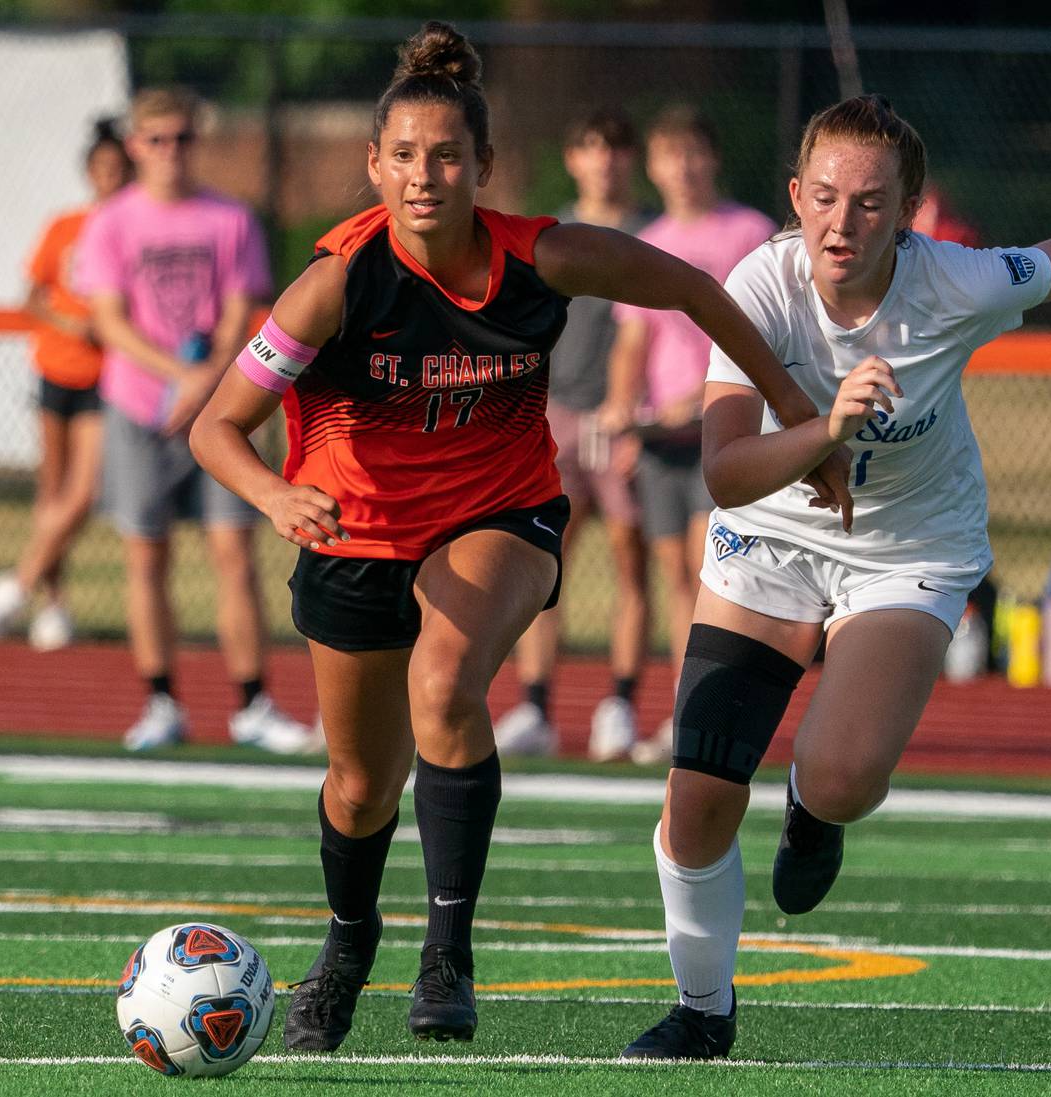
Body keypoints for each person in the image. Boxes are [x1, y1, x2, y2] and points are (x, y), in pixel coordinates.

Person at [188, 21, 844, 1052]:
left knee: (445, 684)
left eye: (447, 156)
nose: (424, 175)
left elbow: (697, 288)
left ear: (484, 167)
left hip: (500, 513)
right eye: (402, 156)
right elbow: (212, 426)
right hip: (355, 535)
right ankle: (347, 949)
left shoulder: (543, 257)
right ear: (374, 165)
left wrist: (799, 415)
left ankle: (448, 952)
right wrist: (274, 497)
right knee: (361, 783)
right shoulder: (335, 283)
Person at [620, 94, 1051, 1060]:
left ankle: (813, 809)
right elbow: (725, 472)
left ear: (911, 215)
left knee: (842, 776)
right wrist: (826, 429)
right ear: (796, 197)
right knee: (699, 794)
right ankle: (702, 1011)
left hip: (908, 548)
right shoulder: (758, 284)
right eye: (826, 198)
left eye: (873, 204)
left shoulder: (959, 280)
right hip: (770, 538)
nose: (845, 223)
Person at [77, 87, 310, 754]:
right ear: (134, 146)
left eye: (182, 138)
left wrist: (206, 383)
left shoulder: (229, 219)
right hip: (138, 406)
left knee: (234, 554)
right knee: (145, 555)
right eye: (157, 140)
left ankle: (251, 702)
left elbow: (244, 309)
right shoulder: (113, 222)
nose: (170, 152)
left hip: (219, 409)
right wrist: (174, 378)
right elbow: (109, 320)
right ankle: (161, 700)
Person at [601, 104, 777, 764]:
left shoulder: (749, 232)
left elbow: (761, 329)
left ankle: (714, 714)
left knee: (714, 573)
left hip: (721, 427)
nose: (685, 167)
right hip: (658, 442)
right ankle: (686, 712)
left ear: (714, 159)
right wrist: (625, 411)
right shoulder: (648, 239)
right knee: (675, 575)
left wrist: (700, 396)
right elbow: (632, 336)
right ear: (654, 167)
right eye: (672, 155)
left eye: (695, 153)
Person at [493, 107, 653, 762]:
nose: (605, 160)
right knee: (543, 563)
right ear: (573, 158)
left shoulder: (652, 232)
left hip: (626, 421)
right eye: (592, 147)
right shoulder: (551, 232)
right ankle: (535, 706)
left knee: (631, 564)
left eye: (616, 147)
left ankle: (620, 705)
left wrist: (635, 412)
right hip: (557, 415)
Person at [0, 118, 132, 650]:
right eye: (101, 168)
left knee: (83, 493)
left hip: (106, 376)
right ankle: (52, 604)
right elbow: (32, 295)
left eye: (117, 169)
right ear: (90, 172)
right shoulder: (65, 226)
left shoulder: (133, 227)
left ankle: (17, 583)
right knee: (52, 492)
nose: (108, 177)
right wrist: (71, 324)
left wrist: (108, 329)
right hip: (55, 366)